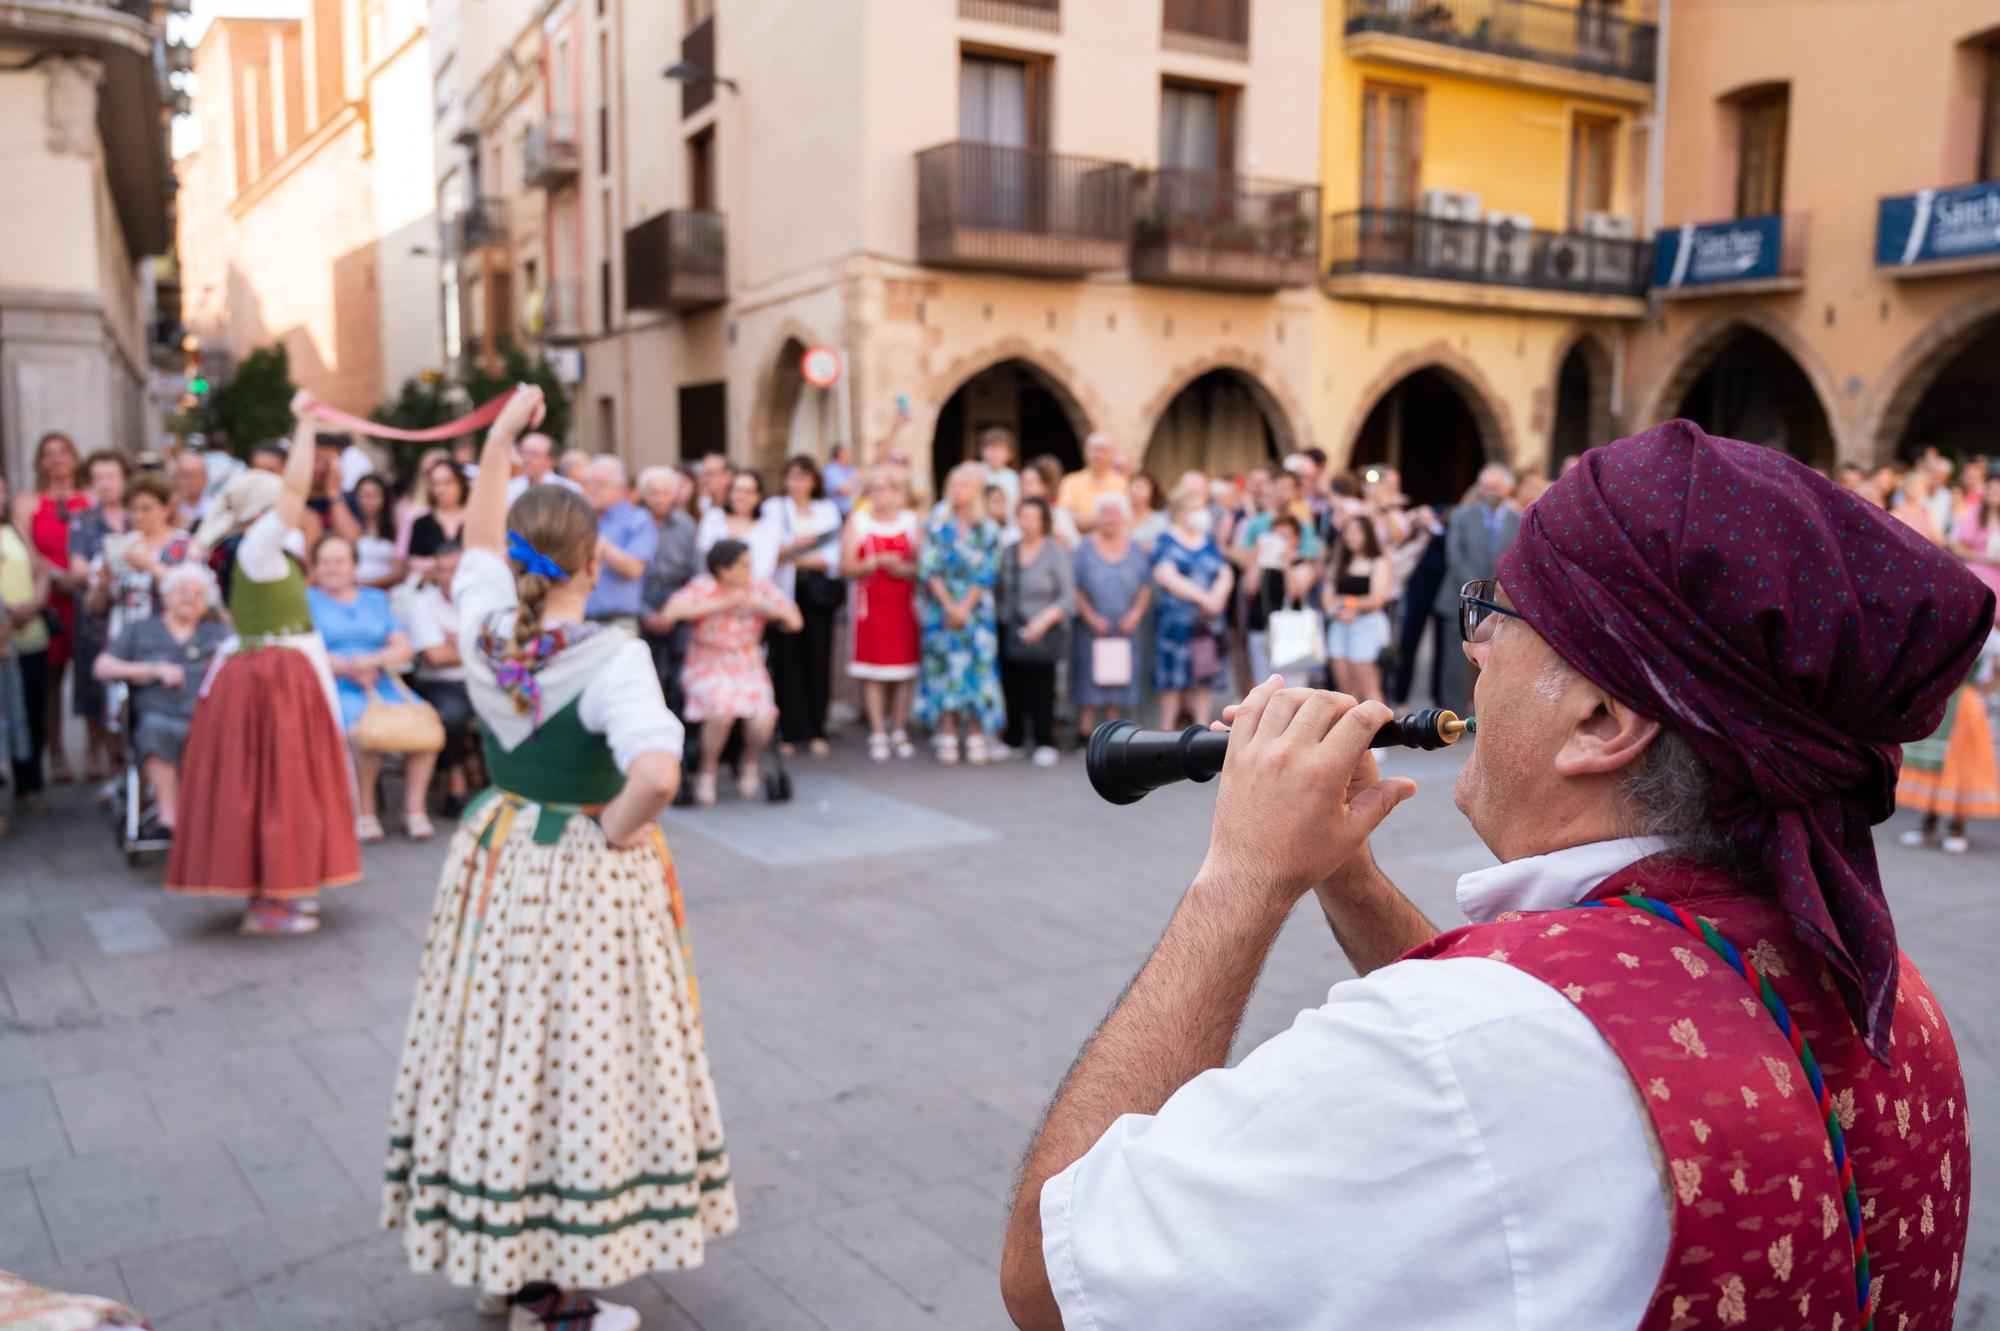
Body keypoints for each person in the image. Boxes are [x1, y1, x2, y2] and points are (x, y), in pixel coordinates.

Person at [999, 421, 1988, 1331]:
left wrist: (1241, 874)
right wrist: (1345, 872)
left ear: (1600, 720)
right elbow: (1545, 1027)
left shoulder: (1453, 1055)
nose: (1469, 644)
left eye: (1498, 613)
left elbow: (1053, 1272)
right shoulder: (1890, 992)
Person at [383, 386, 737, 1325]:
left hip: (499, 852)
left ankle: (509, 1261)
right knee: (575, 1058)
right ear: (591, 560)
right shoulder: (611, 656)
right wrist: (615, 827)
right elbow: (657, 772)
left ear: (517, 556)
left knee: (501, 1051)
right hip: (580, 863)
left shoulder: (484, 622)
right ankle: (559, 1293)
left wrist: (499, 438)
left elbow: (477, 545)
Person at [169, 398, 360, 934]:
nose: (290, 510)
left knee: (278, 784)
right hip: (274, 677)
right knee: (280, 786)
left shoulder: (255, 550)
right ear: (263, 510)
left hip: (274, 670)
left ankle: (285, 888)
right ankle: (272, 897)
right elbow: (299, 490)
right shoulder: (257, 545)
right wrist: (304, 426)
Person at [307, 533, 439, 843]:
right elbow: (303, 647)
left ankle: (414, 809)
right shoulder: (308, 601)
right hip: (335, 683)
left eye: (339, 561)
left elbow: (403, 645)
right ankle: (364, 811)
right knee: (361, 734)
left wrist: (376, 660)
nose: (332, 568)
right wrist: (345, 666)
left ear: (353, 566)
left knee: (427, 728)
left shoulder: (375, 600)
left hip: (380, 681)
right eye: (325, 562)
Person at [90, 563, 228, 838]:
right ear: (165, 596)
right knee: (157, 729)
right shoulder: (141, 630)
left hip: (209, 716)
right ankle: (169, 820)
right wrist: (152, 670)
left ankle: (214, 820)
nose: (188, 597)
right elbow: (102, 667)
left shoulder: (218, 633)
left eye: (197, 593)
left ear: (207, 604)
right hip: (159, 712)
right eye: (181, 591)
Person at [661, 538, 802, 805]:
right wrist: (723, 603)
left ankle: (749, 759)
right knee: (722, 711)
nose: (748, 570)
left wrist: (762, 607)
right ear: (723, 569)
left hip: (747, 663)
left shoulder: (757, 588)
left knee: (763, 716)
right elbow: (670, 614)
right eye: (742, 565)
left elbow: (795, 620)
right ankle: (707, 769)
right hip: (707, 663)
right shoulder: (703, 587)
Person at [917, 462, 1005, 765]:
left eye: (964, 486)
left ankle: (976, 733)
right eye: (953, 485)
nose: (958, 491)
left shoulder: (988, 529)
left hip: (976, 613)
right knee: (944, 670)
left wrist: (965, 607)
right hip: (941, 611)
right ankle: (948, 731)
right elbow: (929, 569)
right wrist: (949, 606)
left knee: (977, 671)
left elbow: (987, 572)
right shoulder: (936, 525)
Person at [16, 432, 88, 783]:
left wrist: (79, 575)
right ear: (40, 461)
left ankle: (96, 750)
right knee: (50, 680)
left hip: (87, 594)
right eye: (49, 454)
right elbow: (25, 547)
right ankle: (55, 750)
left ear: (75, 458)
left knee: (91, 676)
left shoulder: (89, 499)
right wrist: (54, 574)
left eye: (63, 452)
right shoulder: (28, 502)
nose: (57, 459)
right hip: (50, 596)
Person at [764, 457, 843, 758]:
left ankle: (816, 727)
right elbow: (770, 551)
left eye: (804, 477)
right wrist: (797, 549)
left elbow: (833, 557)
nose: (798, 483)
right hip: (785, 590)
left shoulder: (826, 510)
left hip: (817, 593)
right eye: (793, 477)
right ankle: (788, 728)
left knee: (818, 659)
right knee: (785, 660)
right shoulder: (774, 508)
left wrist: (797, 555)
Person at [66, 449, 137, 781]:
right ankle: (106, 758)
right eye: (98, 479)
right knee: (97, 685)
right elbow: (77, 566)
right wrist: (102, 576)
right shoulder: (84, 519)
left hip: (137, 612)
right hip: (98, 615)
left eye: (111, 477)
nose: (105, 484)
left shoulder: (138, 515)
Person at [844, 468, 922, 762]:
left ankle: (899, 728)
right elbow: (847, 566)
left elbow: (925, 563)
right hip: (871, 605)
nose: (880, 495)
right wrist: (873, 562)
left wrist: (906, 569)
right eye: (874, 489)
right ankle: (878, 730)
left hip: (902, 603)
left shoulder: (911, 521)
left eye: (885, 488)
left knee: (903, 670)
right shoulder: (858, 522)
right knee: (873, 670)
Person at [1430, 463, 1520, 715]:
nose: (1491, 492)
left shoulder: (1518, 519)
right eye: (1487, 487)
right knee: (1455, 660)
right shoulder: (1461, 515)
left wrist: (1496, 593)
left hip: (1499, 602)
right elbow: (1454, 555)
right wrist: (1477, 591)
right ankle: (1452, 714)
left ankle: (1485, 713)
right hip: (1460, 596)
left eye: (1496, 487)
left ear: (1508, 489)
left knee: (1493, 658)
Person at [997, 497, 1074, 767]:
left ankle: (1044, 740)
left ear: (1044, 521)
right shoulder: (1008, 550)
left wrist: (1042, 621)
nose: (1026, 523)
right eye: (1022, 516)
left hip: (1044, 626)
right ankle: (1014, 738)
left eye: (1032, 517)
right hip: (1011, 626)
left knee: (1042, 687)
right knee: (1012, 686)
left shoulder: (1055, 551)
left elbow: (1067, 597)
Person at [402, 540, 478, 817]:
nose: (449, 577)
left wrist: (456, 644)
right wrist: (474, 645)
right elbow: (434, 657)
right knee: (452, 716)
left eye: (455, 569)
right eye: (443, 570)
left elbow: (504, 649)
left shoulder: (478, 601)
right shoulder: (423, 604)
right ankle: (455, 779)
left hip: (478, 680)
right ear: (434, 573)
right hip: (438, 682)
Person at [1070, 493, 1152, 745]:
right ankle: (1085, 731)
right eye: (1105, 513)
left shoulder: (1136, 548)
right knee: (1088, 672)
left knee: (1119, 675)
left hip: (1127, 626)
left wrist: (1136, 614)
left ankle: (1113, 730)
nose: (1110, 519)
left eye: (1115, 513)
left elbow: (1145, 586)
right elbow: (1075, 586)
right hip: (1091, 626)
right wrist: (1090, 616)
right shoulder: (1083, 548)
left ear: (1124, 517)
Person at [1150, 483, 1233, 730]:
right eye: (1194, 508)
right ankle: (1165, 736)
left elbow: (1223, 570)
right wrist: (1204, 599)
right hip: (1176, 624)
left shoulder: (1207, 540)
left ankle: (1201, 732)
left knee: (1203, 679)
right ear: (1179, 511)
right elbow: (1166, 575)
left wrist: (1217, 596)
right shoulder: (1165, 540)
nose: (1200, 514)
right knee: (1173, 684)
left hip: (1206, 625)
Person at [0, 468, 52, 826]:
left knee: (31, 710)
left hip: (28, 633)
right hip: (2, 637)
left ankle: (28, 783)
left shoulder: (15, 528)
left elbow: (42, 570)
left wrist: (35, 603)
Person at [638, 465, 700, 710]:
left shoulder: (686, 525)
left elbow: (697, 572)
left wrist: (677, 609)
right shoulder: (633, 522)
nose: (659, 498)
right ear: (643, 494)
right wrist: (645, 613)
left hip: (678, 599)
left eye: (665, 492)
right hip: (641, 597)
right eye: (653, 492)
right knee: (646, 672)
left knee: (679, 671)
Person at [1241, 514, 1321, 689]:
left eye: (1284, 537)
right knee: (1263, 686)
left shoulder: (1302, 564)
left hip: (1290, 633)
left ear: (1296, 540)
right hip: (1260, 628)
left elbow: (1295, 591)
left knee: (1292, 688)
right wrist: (1258, 559)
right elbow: (1249, 588)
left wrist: (1287, 564)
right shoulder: (1263, 564)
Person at [1323, 515, 1393, 705]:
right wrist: (1337, 611)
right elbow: (1327, 598)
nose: (1351, 536)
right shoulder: (1339, 562)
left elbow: (1376, 599)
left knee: (1369, 688)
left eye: (1357, 532)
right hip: (1340, 625)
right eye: (1348, 531)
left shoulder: (1378, 562)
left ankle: (1383, 733)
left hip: (1367, 626)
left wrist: (1347, 602)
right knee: (1345, 692)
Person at [695, 467, 779, 582]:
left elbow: (764, 569)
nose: (742, 496)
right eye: (738, 490)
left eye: (749, 492)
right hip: (713, 586)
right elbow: (703, 553)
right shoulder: (713, 517)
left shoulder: (768, 527)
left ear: (759, 496)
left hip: (752, 589)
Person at [407, 457, 470, 579]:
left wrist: (434, 563)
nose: (441, 490)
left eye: (448, 482)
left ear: (460, 483)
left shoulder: (474, 519)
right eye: (436, 484)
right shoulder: (422, 523)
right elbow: (414, 562)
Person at [1057, 432, 1130, 535]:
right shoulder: (1070, 482)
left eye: (1103, 451)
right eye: (1095, 450)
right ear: (1085, 452)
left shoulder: (1122, 483)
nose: (1098, 455)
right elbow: (1066, 516)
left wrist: (1090, 521)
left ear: (1112, 454)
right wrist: (1104, 521)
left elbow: (1125, 517)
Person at [348, 474, 405, 589]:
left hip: (385, 591)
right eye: (363, 495)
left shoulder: (396, 527)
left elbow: (399, 571)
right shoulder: (347, 526)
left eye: (374, 495)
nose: (368, 501)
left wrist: (366, 584)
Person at [1951, 472, 2000, 602]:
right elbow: (1958, 547)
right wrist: (1985, 559)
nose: (1993, 492)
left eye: (1997, 490)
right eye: (1990, 489)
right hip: (1979, 569)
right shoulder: (1974, 515)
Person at [1020, 455, 1080, 548]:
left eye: (1031, 483)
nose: (1025, 488)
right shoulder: (1015, 513)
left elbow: (1075, 545)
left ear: (1045, 486)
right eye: (1023, 483)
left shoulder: (1060, 514)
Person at [506, 431, 584, 502]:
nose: (526, 459)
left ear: (550, 461)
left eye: (533, 454)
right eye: (522, 452)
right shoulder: (511, 488)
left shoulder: (568, 490)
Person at [1127, 472, 1166, 553]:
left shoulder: (1159, 521)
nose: (1135, 491)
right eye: (1133, 487)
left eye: (1140, 488)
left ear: (1152, 494)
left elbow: (1159, 548)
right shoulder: (1119, 515)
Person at [171, 449, 210, 527]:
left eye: (195, 476)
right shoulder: (168, 510)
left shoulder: (215, 506)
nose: (190, 481)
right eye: (184, 476)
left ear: (205, 478)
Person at [823, 441, 860, 516]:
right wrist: (856, 478)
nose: (852, 455)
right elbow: (843, 490)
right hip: (838, 514)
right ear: (840, 453)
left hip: (855, 512)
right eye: (849, 452)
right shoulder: (830, 471)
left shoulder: (852, 469)